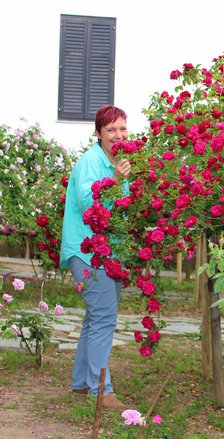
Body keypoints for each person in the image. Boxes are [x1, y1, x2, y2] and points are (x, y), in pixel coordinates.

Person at [60, 105, 131, 410]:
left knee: (95, 319)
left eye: (122, 128)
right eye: (111, 129)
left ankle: (81, 383)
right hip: (87, 253)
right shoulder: (92, 162)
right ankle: (101, 389)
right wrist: (115, 179)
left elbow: (123, 207)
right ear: (99, 133)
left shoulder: (118, 162)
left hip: (107, 254)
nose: (118, 135)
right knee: (103, 319)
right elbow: (86, 202)